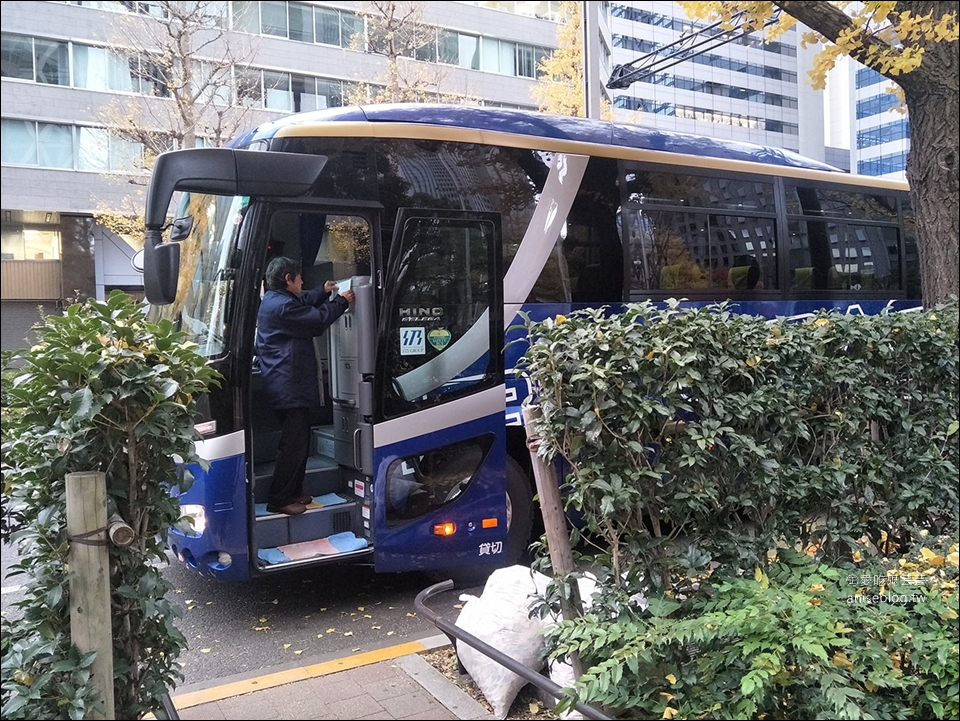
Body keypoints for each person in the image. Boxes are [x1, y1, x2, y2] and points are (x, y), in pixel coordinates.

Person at [256, 256, 355, 515]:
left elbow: (304, 302)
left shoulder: (276, 300)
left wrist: (322, 292)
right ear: (288, 280)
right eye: (299, 277)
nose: (302, 281)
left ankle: (293, 491)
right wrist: (343, 302)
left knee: (299, 441)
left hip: (285, 384)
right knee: (293, 445)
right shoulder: (282, 307)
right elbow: (316, 320)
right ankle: (279, 499)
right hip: (289, 386)